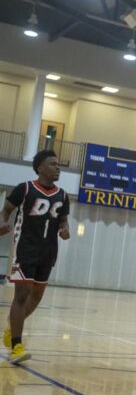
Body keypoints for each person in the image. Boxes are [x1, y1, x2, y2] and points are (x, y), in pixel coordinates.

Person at [0, 150, 70, 364]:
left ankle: (12, 329)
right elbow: (6, 211)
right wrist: (2, 222)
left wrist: (65, 229)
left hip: (48, 252)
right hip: (26, 249)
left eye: (59, 165)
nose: (58, 167)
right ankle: (16, 347)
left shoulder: (63, 195)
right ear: (40, 167)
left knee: (37, 297)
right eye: (53, 164)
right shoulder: (25, 188)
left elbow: (63, 220)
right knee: (22, 295)